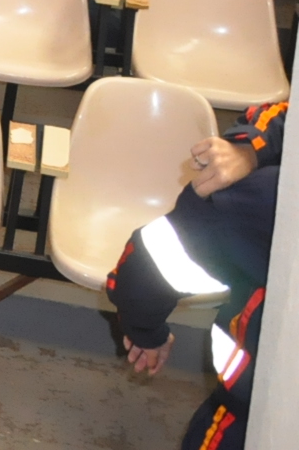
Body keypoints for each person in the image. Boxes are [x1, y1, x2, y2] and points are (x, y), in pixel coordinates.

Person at [106, 102, 280, 450]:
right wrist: (251, 148)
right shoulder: (269, 200)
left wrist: (145, 332)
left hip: (252, 412)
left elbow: (151, 263)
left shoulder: (265, 202)